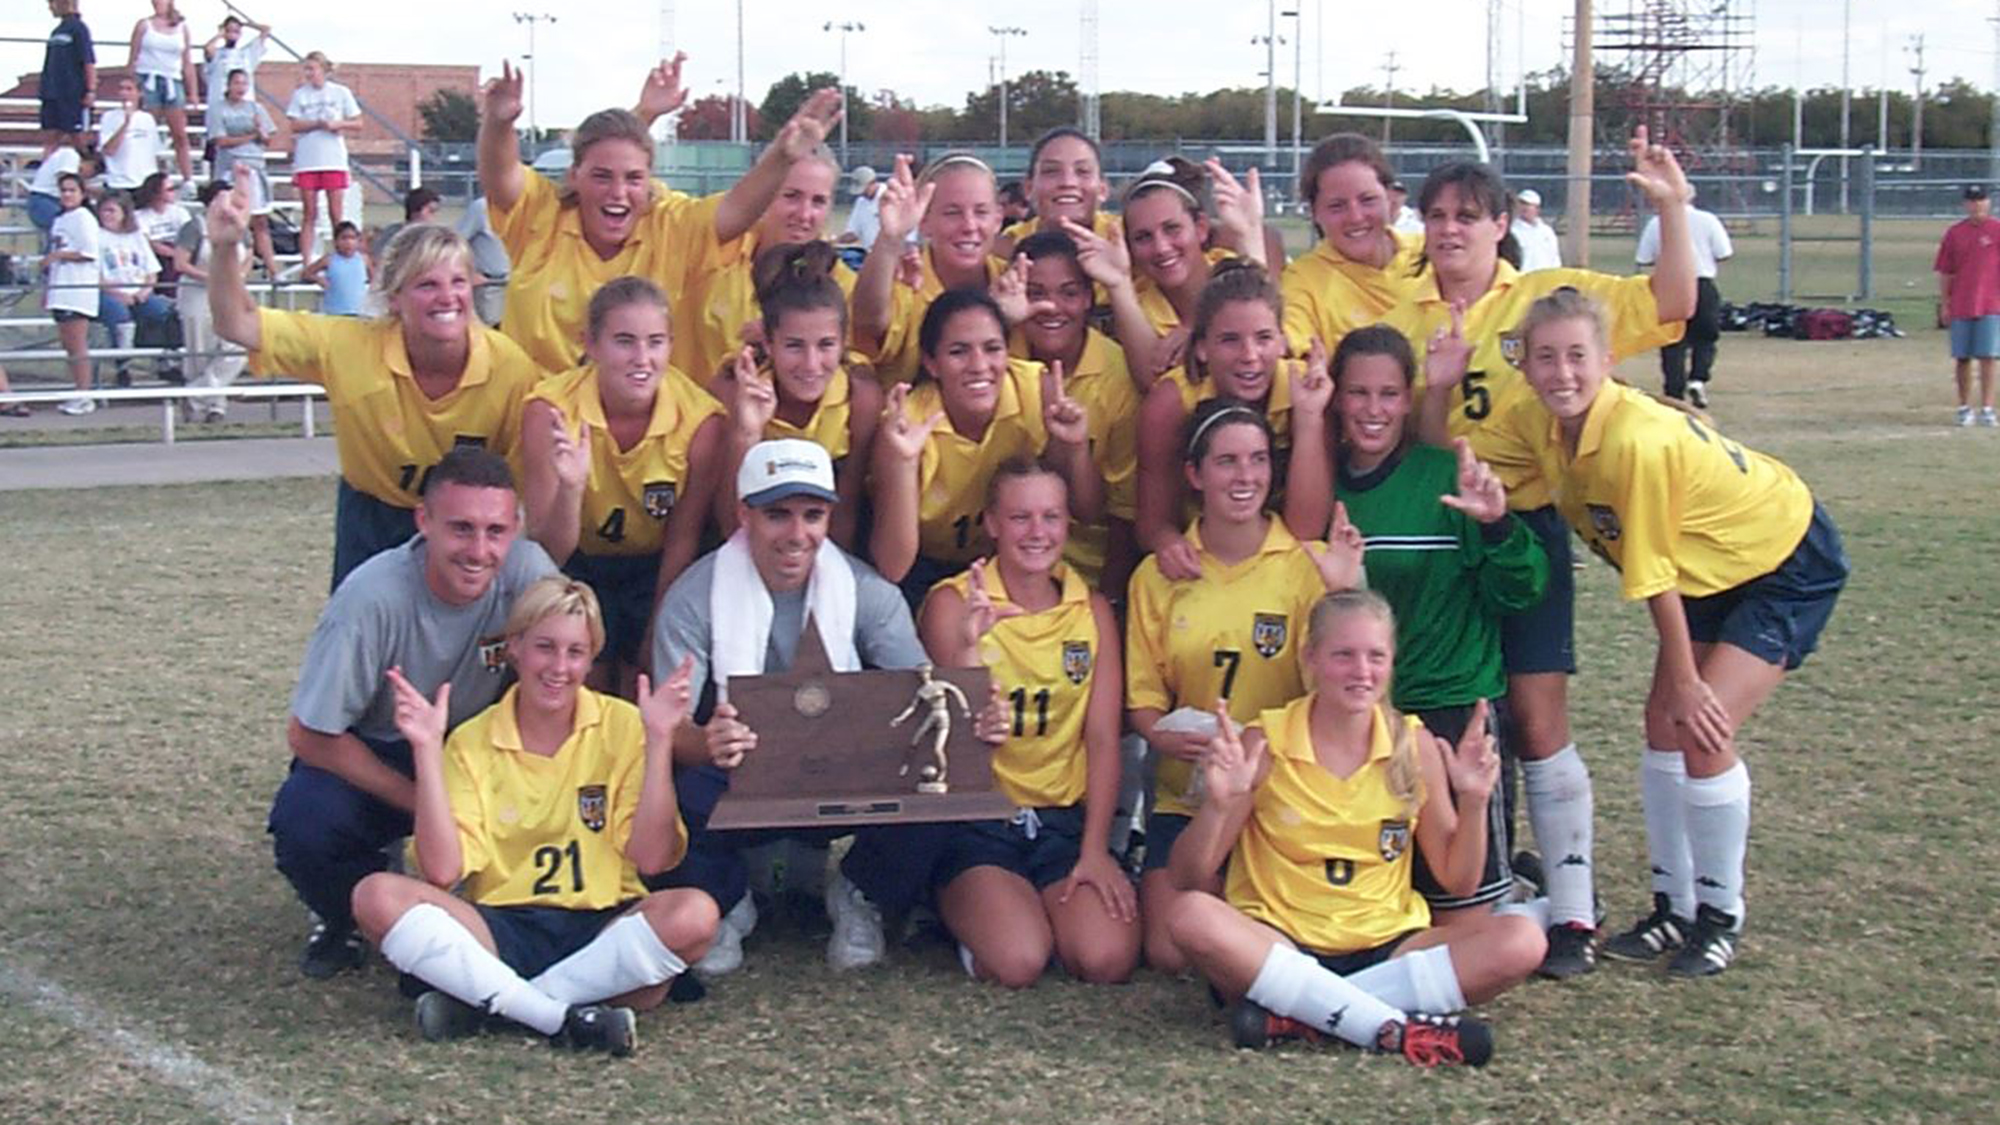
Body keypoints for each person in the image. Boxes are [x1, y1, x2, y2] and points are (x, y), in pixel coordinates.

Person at [1396, 131, 1697, 971]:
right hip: (1437, 538)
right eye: (1436, 217)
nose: (1450, 230)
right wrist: (1438, 386)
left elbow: (1673, 299)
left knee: (1536, 720)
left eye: (1469, 215)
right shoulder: (1401, 309)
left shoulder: (1545, 300)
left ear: (1501, 225)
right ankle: (1467, 880)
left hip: (1521, 528)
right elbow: (1419, 446)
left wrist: (1671, 208)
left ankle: (1572, 913)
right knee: (1441, 716)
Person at [1513, 288, 1847, 978]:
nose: (1562, 372)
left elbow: (1656, 573)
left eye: (1578, 356)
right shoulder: (1543, 425)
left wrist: (1692, 683)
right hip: (1706, 570)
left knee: (1699, 725)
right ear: (1523, 364)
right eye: (1545, 357)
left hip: (1780, 556)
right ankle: (1673, 905)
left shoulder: (1633, 440)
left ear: (1607, 360)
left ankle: (1719, 915)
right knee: (1663, 725)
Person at [647, 438, 1010, 973]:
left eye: (813, 515)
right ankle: (724, 897)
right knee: (661, 782)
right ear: (744, 515)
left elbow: (922, 693)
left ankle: (860, 890)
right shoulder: (694, 595)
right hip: (742, 774)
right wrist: (706, 741)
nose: (798, 535)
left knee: (944, 783)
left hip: (843, 774)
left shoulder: (867, 591)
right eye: (778, 515)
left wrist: (971, 705)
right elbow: (668, 727)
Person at [1164, 589, 1544, 1065]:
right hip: (1280, 944)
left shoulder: (1413, 743)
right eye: (1343, 655)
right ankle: (1394, 1027)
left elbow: (1458, 879)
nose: (1361, 672)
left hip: (1390, 944)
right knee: (1189, 915)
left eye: (1376, 656)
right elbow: (1186, 875)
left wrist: (1474, 800)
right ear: (1311, 660)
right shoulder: (1266, 741)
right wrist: (1219, 806)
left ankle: (1305, 1015)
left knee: (1524, 940)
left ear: (1391, 663)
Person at [351, 577, 717, 1054]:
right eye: (545, 647)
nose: (559, 668)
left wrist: (662, 739)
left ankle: (497, 1004)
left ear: (591, 659)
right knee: (375, 895)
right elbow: (442, 872)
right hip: (499, 929)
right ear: (515, 648)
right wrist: (425, 748)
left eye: (575, 652)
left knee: (695, 914)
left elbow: (651, 859)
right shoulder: (472, 739)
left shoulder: (625, 725)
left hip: (602, 928)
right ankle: (564, 1016)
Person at [267, 447, 559, 979]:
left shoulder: (529, 574)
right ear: (423, 521)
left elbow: (567, 671)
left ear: (515, 528)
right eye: (461, 529)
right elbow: (309, 734)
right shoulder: (370, 598)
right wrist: (424, 803)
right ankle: (347, 913)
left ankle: (507, 918)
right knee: (306, 819)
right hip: (387, 750)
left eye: (495, 531)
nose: (479, 550)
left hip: (479, 749)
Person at [1331, 326, 1562, 964]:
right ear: (1337, 400)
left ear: (1409, 400)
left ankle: (1531, 900)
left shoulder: (1444, 479)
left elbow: (1522, 591)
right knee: (1373, 906)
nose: (1372, 409)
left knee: (1457, 918)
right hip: (1360, 719)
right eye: (1357, 393)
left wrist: (1496, 526)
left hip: (1451, 711)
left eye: (1387, 393)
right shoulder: (1318, 488)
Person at [207, 184, 543, 590]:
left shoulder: (511, 369)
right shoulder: (349, 345)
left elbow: (523, 493)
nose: (447, 297)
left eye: (458, 282)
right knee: (361, 641)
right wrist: (226, 248)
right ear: (394, 298)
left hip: (467, 526)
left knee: (470, 646)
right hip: (372, 517)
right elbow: (237, 324)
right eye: (427, 285)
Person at [1125, 401, 1358, 973]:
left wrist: (1340, 595)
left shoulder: (1305, 567)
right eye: (1227, 462)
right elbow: (1144, 699)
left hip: (1278, 795)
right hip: (1189, 793)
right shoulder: (1159, 574)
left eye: (1257, 460)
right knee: (1167, 951)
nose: (1245, 476)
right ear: (1195, 475)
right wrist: (1161, 735)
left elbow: (1344, 694)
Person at [915, 462, 1139, 986]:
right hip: (979, 820)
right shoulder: (956, 601)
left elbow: (1103, 739)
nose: (1037, 533)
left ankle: (1039, 905)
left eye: (1051, 517)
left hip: (1062, 820)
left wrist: (1095, 851)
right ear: (992, 523)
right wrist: (970, 650)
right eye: (1020, 517)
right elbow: (944, 737)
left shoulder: (1091, 610)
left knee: (1105, 960)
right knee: (1020, 963)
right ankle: (960, 911)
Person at [479, 54, 843, 374]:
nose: (618, 192)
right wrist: (498, 123)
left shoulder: (670, 225)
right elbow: (500, 174)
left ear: (651, 181)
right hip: (539, 415)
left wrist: (783, 154)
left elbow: (737, 208)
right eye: (601, 177)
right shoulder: (542, 214)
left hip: (644, 420)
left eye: (635, 179)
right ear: (574, 176)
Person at [520, 276, 726, 692]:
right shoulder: (551, 412)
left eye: (656, 342)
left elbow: (683, 537)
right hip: (576, 561)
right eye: (624, 341)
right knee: (580, 677)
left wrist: (657, 627)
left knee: (645, 679)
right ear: (590, 344)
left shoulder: (701, 421)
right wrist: (571, 488)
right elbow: (548, 551)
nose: (642, 358)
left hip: (654, 567)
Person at [868, 288, 1104, 600]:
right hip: (924, 566)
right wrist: (903, 465)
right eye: (958, 351)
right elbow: (892, 568)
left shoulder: (1035, 389)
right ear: (931, 362)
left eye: (993, 348)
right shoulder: (906, 425)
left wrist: (1072, 447)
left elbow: (1087, 510)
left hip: (1008, 558)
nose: (979, 365)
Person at [1134, 260, 1333, 583]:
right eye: (1230, 340)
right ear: (1201, 348)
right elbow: (1152, 522)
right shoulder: (1171, 403)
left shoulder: (1306, 391)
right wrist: (1165, 541)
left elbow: (1307, 529)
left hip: (1284, 561)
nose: (1250, 355)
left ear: (1283, 343)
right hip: (1203, 560)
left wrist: (1309, 419)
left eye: (1264, 338)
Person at [713, 240, 882, 551]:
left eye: (826, 345)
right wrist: (745, 434)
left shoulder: (860, 396)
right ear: (767, 341)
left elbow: (846, 511)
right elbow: (729, 525)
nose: (811, 364)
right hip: (749, 549)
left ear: (845, 341)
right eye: (794, 345)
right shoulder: (734, 388)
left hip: (824, 549)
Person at [1008, 231, 1140, 594]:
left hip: (1088, 571)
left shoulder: (1117, 373)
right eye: (1035, 293)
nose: (1052, 306)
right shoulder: (996, 357)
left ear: (1088, 299)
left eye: (1069, 293)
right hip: (998, 561)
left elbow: (1118, 515)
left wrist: (1109, 600)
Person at [1064, 157, 1269, 389]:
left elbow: (1269, 333)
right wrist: (1118, 282)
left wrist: (1250, 232)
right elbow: (1153, 381)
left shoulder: (1234, 270)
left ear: (1200, 228)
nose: (1161, 247)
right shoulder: (1139, 303)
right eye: (1143, 237)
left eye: (1172, 229)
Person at [669, 146, 848, 388]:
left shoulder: (840, 282)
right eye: (791, 196)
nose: (804, 214)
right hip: (697, 416)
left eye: (818, 201)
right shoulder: (710, 249)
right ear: (763, 196)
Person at [849, 153, 1010, 385]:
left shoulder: (1014, 280)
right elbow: (868, 320)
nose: (969, 225)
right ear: (923, 221)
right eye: (952, 213)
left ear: (998, 219)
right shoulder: (905, 278)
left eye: (981, 212)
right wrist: (890, 239)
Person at [1280, 133, 1424, 359]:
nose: (1355, 217)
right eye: (1337, 206)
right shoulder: (1305, 279)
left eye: (1367, 200)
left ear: (1392, 199)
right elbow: (1281, 346)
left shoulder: (1431, 254)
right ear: (1315, 212)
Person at [1638, 186, 1732, 407]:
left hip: (1669, 284)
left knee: (1672, 340)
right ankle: (1698, 378)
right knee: (1705, 337)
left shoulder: (1656, 223)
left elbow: (1644, 258)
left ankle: (1673, 392)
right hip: (1701, 281)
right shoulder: (1708, 220)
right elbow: (1724, 253)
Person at [173, 181, 246, 422]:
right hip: (197, 293)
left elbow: (248, 254)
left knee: (236, 347)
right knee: (200, 350)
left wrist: (237, 275)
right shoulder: (195, 227)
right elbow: (181, 263)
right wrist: (211, 276)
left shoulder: (238, 224)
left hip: (228, 292)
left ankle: (195, 394)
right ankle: (214, 406)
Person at [993, 128, 1117, 261]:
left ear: (1103, 189)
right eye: (1051, 171)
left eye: (1082, 171)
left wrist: (1122, 279)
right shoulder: (1005, 249)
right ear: (1028, 188)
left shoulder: (1130, 240)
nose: (1068, 182)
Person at [285, 51, 362, 264]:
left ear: (323, 70)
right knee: (310, 212)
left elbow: (358, 122)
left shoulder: (341, 92)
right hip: (308, 160)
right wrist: (318, 124)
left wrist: (339, 124)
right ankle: (307, 259)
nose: (309, 73)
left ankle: (341, 256)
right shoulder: (300, 94)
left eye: (312, 68)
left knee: (335, 212)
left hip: (333, 159)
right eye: (306, 69)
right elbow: (294, 124)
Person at [1933, 184, 2000, 427]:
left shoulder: (1997, 230)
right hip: (1962, 303)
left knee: (1989, 356)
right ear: (1965, 204)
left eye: (1981, 200)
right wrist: (1945, 303)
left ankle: (1988, 408)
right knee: (1962, 357)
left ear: (1988, 203)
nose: (1976, 206)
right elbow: (1946, 271)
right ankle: (1963, 406)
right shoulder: (1955, 233)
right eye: (1972, 201)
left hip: (1991, 303)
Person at [93, 191, 175, 387]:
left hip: (139, 292)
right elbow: (95, 275)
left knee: (163, 311)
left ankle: (166, 363)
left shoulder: (136, 236)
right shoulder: (95, 237)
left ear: (124, 213)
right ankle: (123, 367)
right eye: (104, 210)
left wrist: (145, 291)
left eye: (112, 210)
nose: (107, 215)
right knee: (120, 316)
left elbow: (152, 272)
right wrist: (118, 293)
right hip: (109, 293)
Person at [207, 68, 279, 276]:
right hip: (230, 169)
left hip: (255, 167)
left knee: (260, 221)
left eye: (244, 84)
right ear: (229, 85)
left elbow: (267, 139)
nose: (240, 88)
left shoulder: (256, 108)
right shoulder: (218, 109)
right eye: (237, 83)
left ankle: (272, 268)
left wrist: (260, 132)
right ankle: (230, 266)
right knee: (231, 219)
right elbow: (221, 141)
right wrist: (251, 135)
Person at [45, 172, 101, 416]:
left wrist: (58, 256)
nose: (67, 195)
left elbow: (89, 251)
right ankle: (78, 389)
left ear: (82, 194)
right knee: (69, 345)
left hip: (77, 288)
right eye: (64, 190)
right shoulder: (61, 220)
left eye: (72, 190)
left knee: (77, 345)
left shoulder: (83, 218)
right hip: (60, 286)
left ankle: (84, 394)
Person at [127, 0, 196, 184]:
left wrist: (193, 92)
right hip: (148, 78)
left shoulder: (183, 27)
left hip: (172, 80)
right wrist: (131, 86)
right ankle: (144, 174)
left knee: (179, 133)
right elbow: (133, 58)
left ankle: (188, 178)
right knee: (147, 131)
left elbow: (187, 62)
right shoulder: (144, 25)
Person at [39, 0, 96, 151]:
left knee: (77, 137)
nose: (50, 7)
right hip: (52, 93)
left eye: (53, 3)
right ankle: (47, 171)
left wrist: (90, 90)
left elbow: (88, 61)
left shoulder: (79, 29)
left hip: (71, 94)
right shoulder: (56, 32)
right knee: (50, 136)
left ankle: (87, 168)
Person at [26, 138, 101, 244]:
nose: (88, 177)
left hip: (54, 201)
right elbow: (67, 181)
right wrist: (94, 191)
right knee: (65, 228)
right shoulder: (70, 155)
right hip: (43, 200)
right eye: (94, 172)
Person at [96, 73, 162, 193]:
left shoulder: (147, 119)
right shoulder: (109, 117)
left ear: (139, 93)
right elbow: (109, 150)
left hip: (144, 182)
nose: (124, 93)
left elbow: (154, 153)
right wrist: (126, 123)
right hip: (118, 182)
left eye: (129, 89)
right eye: (121, 89)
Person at [457, 195, 512, 327]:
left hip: (518, 286)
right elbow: (455, 242)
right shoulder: (481, 208)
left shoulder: (529, 209)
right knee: (488, 335)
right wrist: (468, 273)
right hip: (490, 286)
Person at [302, 221, 371, 317]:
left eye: (352, 238)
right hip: (335, 312)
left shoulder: (364, 259)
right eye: (344, 238)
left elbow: (376, 279)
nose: (348, 242)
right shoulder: (329, 260)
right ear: (335, 241)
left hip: (359, 311)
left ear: (358, 241)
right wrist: (319, 279)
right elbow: (306, 274)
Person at [201, 13, 269, 102]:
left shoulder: (247, 53)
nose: (232, 34)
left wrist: (244, 24)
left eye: (236, 31)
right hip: (220, 103)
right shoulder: (217, 53)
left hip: (245, 105)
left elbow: (266, 29)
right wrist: (220, 34)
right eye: (229, 31)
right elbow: (208, 49)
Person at [372, 187, 443, 262]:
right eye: (431, 211)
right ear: (417, 210)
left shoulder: (435, 237)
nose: (435, 216)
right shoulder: (393, 233)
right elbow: (379, 258)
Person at [1510, 189, 1562, 273]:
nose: (1524, 207)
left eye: (1528, 204)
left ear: (1537, 208)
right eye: (1521, 203)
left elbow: (1555, 258)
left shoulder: (1547, 232)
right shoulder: (1512, 231)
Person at [837, 164, 882, 252]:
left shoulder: (889, 197)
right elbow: (853, 234)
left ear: (872, 183)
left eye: (864, 189)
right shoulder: (860, 202)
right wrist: (833, 241)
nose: (862, 193)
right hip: (869, 254)